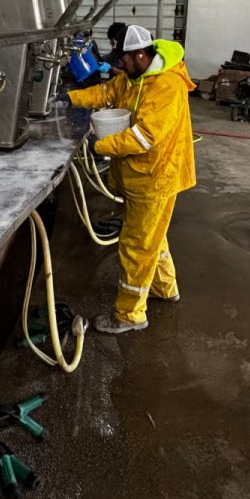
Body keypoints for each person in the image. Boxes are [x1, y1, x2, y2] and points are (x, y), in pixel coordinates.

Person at [56, 25, 196, 334]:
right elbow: (105, 93)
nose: (119, 66)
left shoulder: (165, 86)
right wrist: (70, 98)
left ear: (141, 55)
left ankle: (130, 315)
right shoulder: (135, 79)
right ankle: (165, 287)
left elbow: (145, 137)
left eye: (125, 60)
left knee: (135, 246)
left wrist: (99, 145)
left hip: (157, 177)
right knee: (152, 237)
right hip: (141, 178)